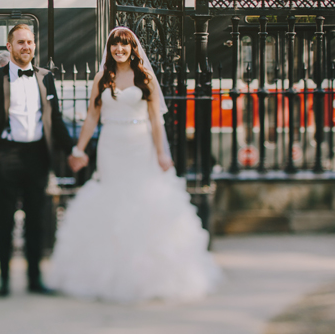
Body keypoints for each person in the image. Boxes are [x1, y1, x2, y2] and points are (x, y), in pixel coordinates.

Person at [47, 26, 220, 303]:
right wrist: (79, 148)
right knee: (112, 200)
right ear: (109, 48)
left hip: (141, 146)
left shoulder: (145, 77)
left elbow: (156, 119)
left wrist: (162, 152)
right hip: (111, 146)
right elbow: (92, 116)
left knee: (144, 200)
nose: (119, 50)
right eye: (115, 45)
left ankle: (149, 274)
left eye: (124, 45)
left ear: (132, 48)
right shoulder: (102, 77)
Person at [0, 24, 74, 298]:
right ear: (9, 47)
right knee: (5, 221)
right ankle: (5, 279)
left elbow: (54, 119)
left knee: (36, 220)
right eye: (20, 42)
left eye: (30, 42)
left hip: (37, 156)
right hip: (7, 154)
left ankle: (34, 279)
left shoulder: (45, 77)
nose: (26, 47)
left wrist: (72, 150)